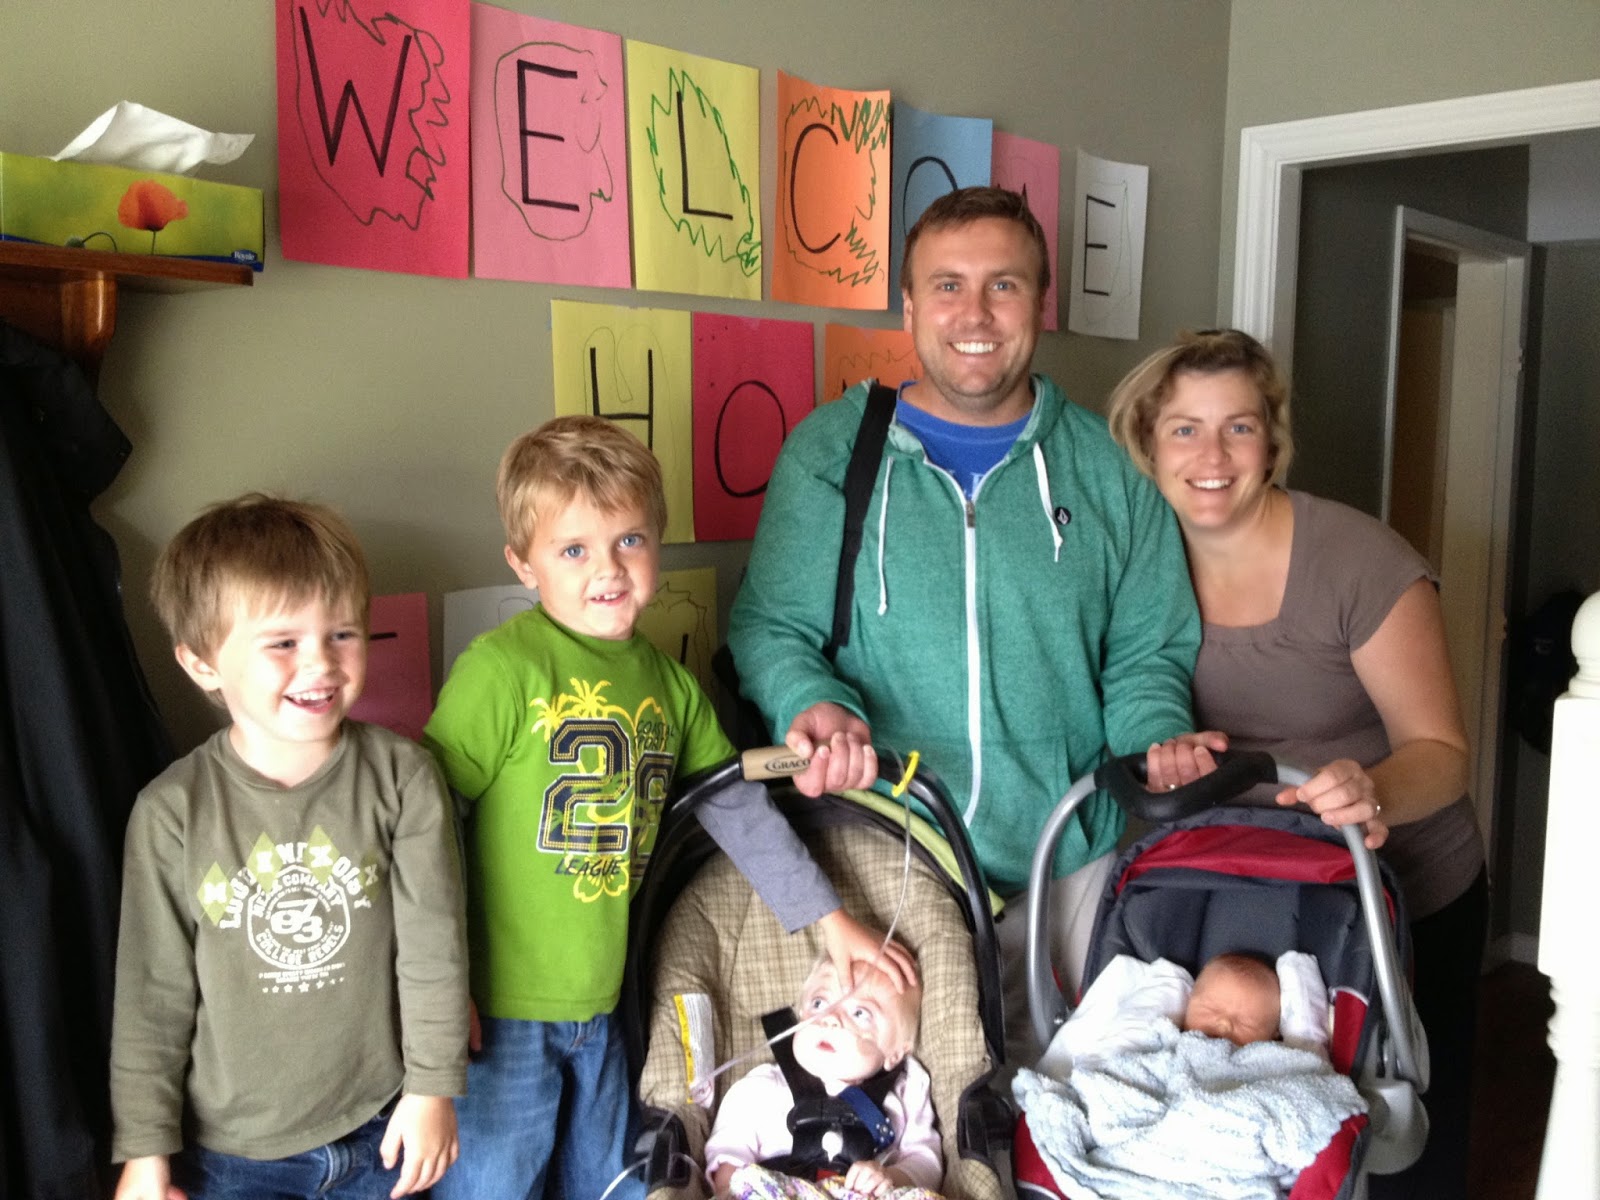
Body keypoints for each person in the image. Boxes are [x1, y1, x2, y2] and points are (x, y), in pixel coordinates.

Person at [727, 186, 1211, 1044]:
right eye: (947, 285)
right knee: (915, 1110)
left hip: (1068, 866)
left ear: (1041, 302)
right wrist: (814, 701)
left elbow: (1146, 653)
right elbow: (771, 627)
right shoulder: (832, 451)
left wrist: (1156, 744)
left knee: (1055, 1097)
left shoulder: (1112, 468)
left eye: (1003, 285)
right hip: (889, 859)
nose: (975, 313)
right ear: (910, 306)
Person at [423, 416, 913, 1200]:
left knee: (612, 1184)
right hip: (499, 1014)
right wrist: (440, 993)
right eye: (573, 549)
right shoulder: (502, 669)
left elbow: (740, 814)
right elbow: (425, 822)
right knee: (492, 1187)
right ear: (522, 562)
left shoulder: (671, 687)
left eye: (630, 540)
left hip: (609, 1009)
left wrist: (832, 921)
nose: (608, 568)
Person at [1107, 328, 1482, 1199]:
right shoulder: (1136, 562)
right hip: (1244, 894)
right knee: (1257, 1145)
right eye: (1185, 429)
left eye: (1238, 428)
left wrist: (1371, 787)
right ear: (1149, 444)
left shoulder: (1359, 563)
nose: (1211, 456)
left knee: (1404, 1147)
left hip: (1400, 896)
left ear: (1272, 443)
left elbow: (1444, 756)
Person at [110, 495, 468, 1200]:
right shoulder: (170, 813)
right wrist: (146, 1154)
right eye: (283, 643)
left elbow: (434, 950)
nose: (321, 663)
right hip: (232, 1155)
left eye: (342, 633)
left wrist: (433, 1089)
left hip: (380, 1124)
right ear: (202, 664)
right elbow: (151, 999)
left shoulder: (404, 778)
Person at [705, 956, 941, 1200]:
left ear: (896, 1052)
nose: (830, 1018)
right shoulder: (759, 1089)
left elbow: (926, 1161)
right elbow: (728, 1153)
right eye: (819, 1003)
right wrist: (731, 1189)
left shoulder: (906, 1089)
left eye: (859, 1013)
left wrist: (890, 1177)